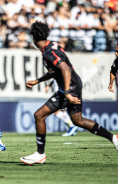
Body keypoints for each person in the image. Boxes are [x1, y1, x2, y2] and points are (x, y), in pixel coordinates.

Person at [20, 21, 118, 165]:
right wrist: (38, 80)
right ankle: (114, 138)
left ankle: (40, 154)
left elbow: (65, 69)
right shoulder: (51, 46)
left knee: (39, 115)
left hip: (69, 87)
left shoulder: (48, 52)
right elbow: (56, 71)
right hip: (74, 84)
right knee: (78, 120)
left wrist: (66, 93)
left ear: (33, 39)